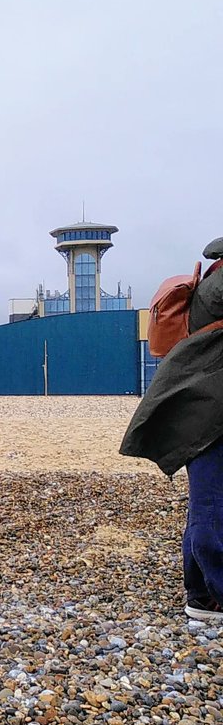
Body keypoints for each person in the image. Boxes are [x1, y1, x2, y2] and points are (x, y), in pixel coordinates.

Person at [120, 236, 223, 621]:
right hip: (208, 414)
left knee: (208, 504)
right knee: (212, 506)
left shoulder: (213, 279)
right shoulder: (219, 286)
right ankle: (212, 596)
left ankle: (201, 592)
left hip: (201, 410)